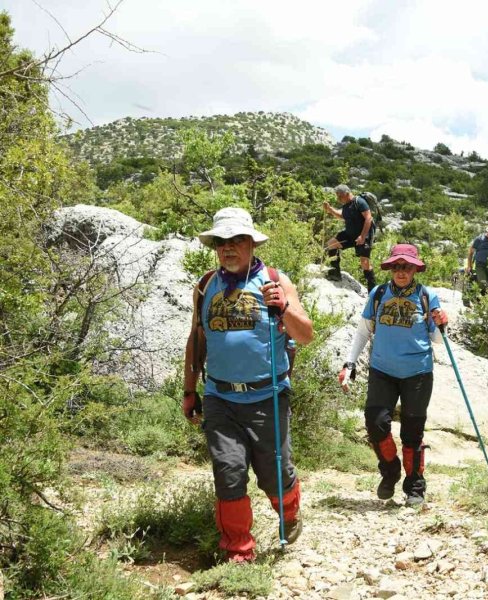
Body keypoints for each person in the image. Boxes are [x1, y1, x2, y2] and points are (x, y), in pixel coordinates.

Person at [183, 207, 315, 563]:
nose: (229, 248)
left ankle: (289, 512)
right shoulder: (206, 284)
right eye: (221, 241)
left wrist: (284, 308)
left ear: (251, 243)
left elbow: (304, 335)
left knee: (274, 474)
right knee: (228, 473)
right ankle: (238, 553)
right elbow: (197, 339)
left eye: (237, 240)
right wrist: (189, 390)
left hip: (266, 396)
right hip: (219, 397)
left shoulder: (274, 280)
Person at [338, 244, 449, 506]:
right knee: (375, 423)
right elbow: (364, 331)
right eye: (397, 266)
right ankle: (390, 471)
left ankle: (415, 486)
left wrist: (443, 324)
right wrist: (349, 363)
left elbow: (437, 339)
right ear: (391, 268)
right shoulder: (378, 294)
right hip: (382, 371)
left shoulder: (426, 296)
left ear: (414, 269)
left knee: (413, 433)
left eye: (407, 266)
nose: (401, 271)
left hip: (418, 373)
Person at [324, 184, 377, 291]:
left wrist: (362, 237)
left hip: (364, 236)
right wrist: (330, 209)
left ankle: (372, 290)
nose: (338, 199)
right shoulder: (346, 205)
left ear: (347, 194)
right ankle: (335, 272)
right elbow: (342, 216)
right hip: (350, 235)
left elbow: (368, 219)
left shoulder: (360, 202)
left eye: (340, 196)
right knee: (332, 244)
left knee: (365, 262)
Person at [465, 222, 488, 293]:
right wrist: (469, 266)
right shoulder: (479, 239)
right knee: (483, 283)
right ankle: (476, 293)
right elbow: (470, 253)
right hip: (480, 265)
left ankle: (481, 301)